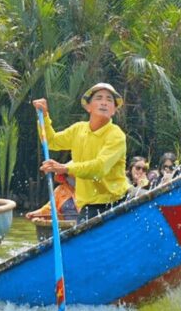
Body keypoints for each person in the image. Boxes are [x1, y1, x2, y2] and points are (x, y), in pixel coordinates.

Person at [32, 82, 130, 224]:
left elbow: (99, 168)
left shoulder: (116, 135)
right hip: (90, 205)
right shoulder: (78, 129)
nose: (104, 103)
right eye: (99, 98)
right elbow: (51, 141)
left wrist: (65, 168)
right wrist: (44, 116)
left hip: (117, 200)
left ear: (114, 110)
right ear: (88, 107)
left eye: (109, 100)